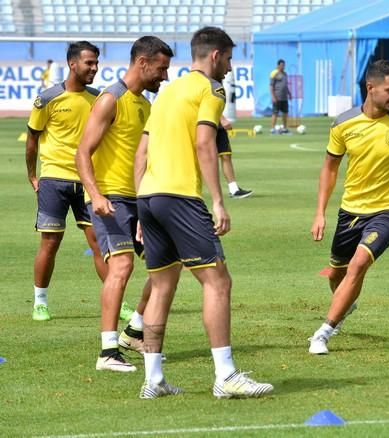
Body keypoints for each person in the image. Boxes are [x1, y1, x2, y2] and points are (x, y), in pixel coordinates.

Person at [134, 26, 273, 399]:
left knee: (162, 287)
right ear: (215, 56)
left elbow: (142, 153)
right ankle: (225, 375)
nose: (229, 67)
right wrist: (218, 200)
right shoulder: (211, 90)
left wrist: (139, 206)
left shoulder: (167, 92)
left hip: (149, 197)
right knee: (218, 282)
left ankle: (154, 379)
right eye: (228, 58)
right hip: (180, 196)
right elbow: (204, 142)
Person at [307, 59, 389, 355]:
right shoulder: (343, 124)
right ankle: (345, 305)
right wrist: (319, 213)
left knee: (358, 265)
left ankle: (323, 332)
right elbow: (329, 168)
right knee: (337, 273)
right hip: (350, 211)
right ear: (370, 88)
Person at [76, 36, 174, 372]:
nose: (164, 76)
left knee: (168, 263)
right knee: (122, 267)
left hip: (140, 198)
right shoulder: (110, 100)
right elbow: (82, 152)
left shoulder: (145, 106)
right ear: (142, 63)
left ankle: (133, 331)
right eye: (161, 69)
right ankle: (107, 352)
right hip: (110, 198)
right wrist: (97, 195)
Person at [25, 41, 106, 322]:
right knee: (50, 242)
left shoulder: (98, 99)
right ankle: (40, 302)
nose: (94, 68)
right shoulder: (47, 99)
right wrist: (32, 175)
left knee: (98, 242)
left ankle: (115, 300)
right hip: (54, 179)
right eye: (89, 63)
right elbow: (32, 139)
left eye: (96, 63)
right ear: (73, 64)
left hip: (88, 181)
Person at [217, 117, 253, 199]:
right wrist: (222, 118)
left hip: (217, 124)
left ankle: (234, 189)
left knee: (226, 155)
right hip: (205, 123)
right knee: (204, 157)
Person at [269, 59, 291, 134]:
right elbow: (271, 86)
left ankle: (285, 128)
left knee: (285, 113)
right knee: (275, 113)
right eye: (282, 65)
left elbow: (285, 85)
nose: (283, 67)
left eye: (284, 65)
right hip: (277, 97)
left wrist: (289, 93)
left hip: (284, 97)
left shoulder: (285, 74)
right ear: (278, 65)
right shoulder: (274, 73)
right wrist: (273, 96)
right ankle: (272, 128)